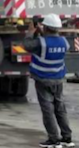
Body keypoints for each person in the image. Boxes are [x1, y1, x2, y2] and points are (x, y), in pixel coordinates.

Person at [24, 14, 73, 148]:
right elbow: (52, 42)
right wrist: (42, 32)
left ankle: (54, 140)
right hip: (58, 80)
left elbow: (27, 45)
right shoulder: (64, 42)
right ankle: (67, 138)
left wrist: (31, 31)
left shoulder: (41, 42)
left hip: (43, 80)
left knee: (48, 110)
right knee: (60, 108)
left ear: (45, 27)